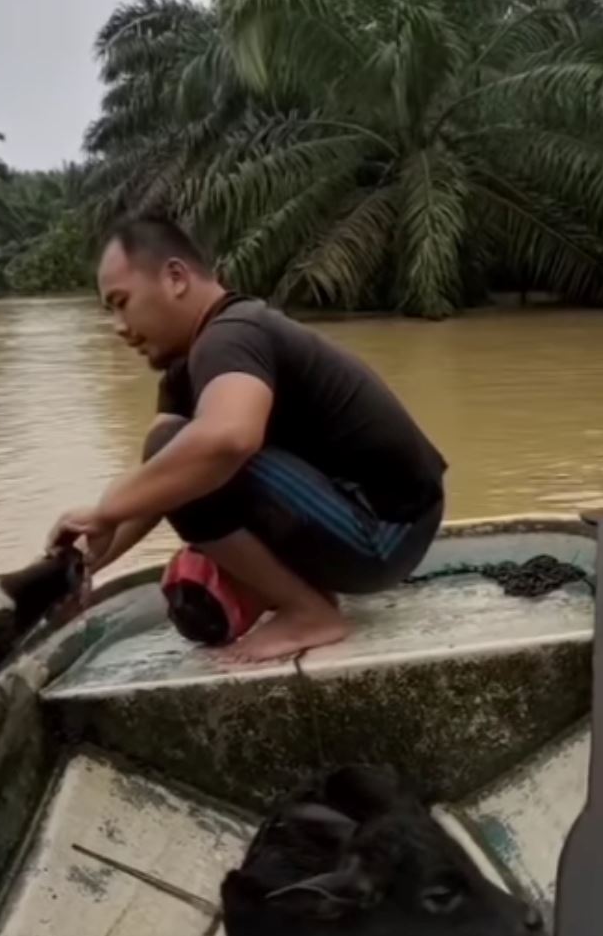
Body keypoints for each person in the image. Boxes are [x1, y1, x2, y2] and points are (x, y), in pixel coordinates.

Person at [48, 213, 448, 662]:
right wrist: (84, 563)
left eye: (122, 302)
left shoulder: (232, 334)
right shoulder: (190, 363)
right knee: (174, 468)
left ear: (176, 277)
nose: (118, 326)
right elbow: (158, 481)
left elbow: (228, 439)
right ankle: (300, 597)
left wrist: (105, 509)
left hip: (385, 531)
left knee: (189, 451)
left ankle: (309, 612)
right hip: (366, 522)